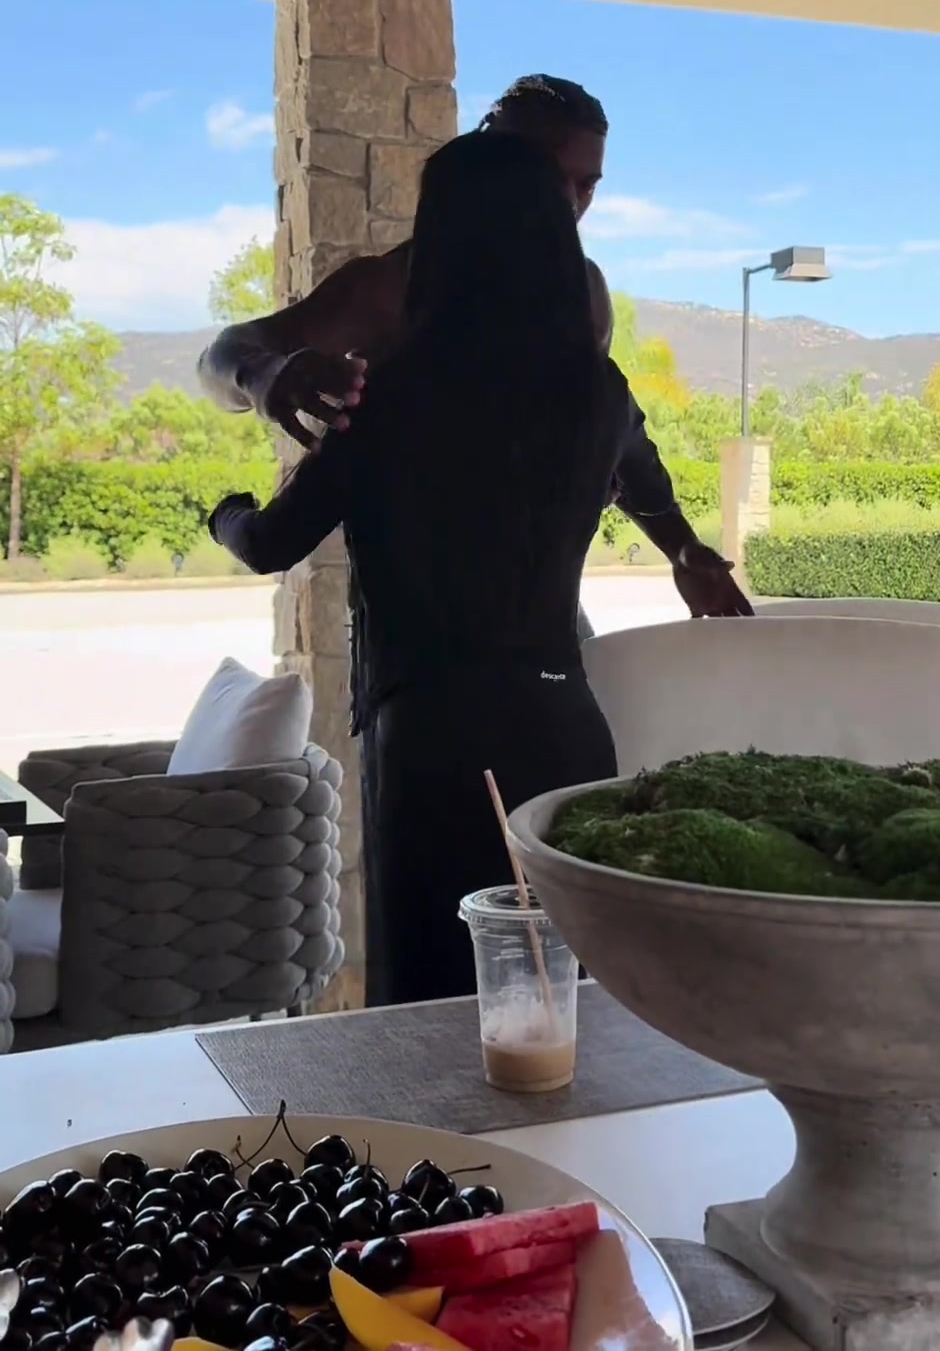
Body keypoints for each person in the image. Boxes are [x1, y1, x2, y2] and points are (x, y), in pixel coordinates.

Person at [208, 133, 641, 1005]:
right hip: (566, 726)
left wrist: (226, 513)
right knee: (563, 996)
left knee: (431, 1010)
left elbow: (271, 544)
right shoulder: (602, 394)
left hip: (433, 739)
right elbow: (636, 481)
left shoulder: (393, 396)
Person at [198, 74, 751, 622]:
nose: (567, 203)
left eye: (587, 185)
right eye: (546, 177)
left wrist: (680, 546)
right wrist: (259, 374)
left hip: (540, 623)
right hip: (413, 630)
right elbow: (220, 358)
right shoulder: (386, 290)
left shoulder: (584, 296)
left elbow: (613, 434)